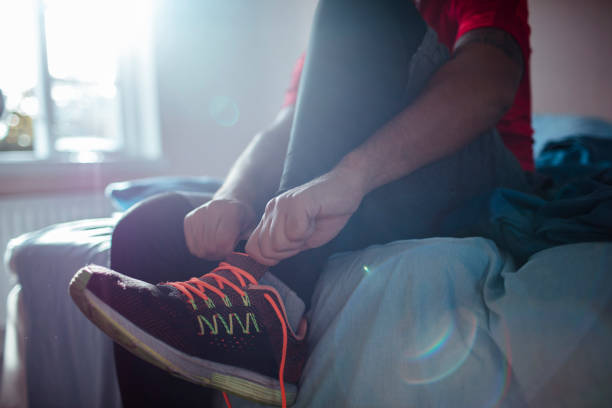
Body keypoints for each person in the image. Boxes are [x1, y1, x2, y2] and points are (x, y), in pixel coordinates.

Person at [69, 0, 533, 407]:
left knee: (360, 8)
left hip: (473, 176)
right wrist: (234, 196)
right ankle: (252, 316)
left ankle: (273, 308)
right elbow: (287, 130)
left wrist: (349, 176)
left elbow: (490, 78)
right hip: (366, 180)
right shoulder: (341, 38)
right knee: (147, 228)